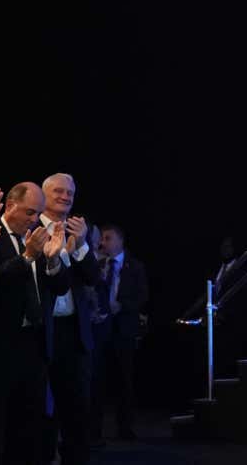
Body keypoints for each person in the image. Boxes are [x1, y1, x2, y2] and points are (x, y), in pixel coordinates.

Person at [0, 183, 69, 465]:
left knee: (29, 424)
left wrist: (52, 260)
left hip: (35, 343)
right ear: (11, 205)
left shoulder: (37, 236)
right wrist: (26, 257)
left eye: (38, 213)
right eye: (29, 212)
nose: (34, 219)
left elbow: (61, 288)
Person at [39, 173, 102, 465]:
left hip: (74, 334)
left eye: (70, 194)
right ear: (44, 194)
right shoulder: (30, 228)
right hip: (40, 331)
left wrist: (82, 245)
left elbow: (93, 278)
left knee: (77, 410)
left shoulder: (78, 233)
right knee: (40, 409)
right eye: (59, 192)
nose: (66, 197)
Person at [91, 224, 148, 442]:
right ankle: (94, 429)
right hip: (101, 330)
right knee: (97, 381)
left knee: (124, 380)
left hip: (124, 330)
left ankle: (125, 428)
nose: (103, 243)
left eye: (108, 238)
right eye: (102, 239)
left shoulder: (135, 267)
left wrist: (121, 306)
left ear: (120, 241)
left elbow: (142, 296)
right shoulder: (97, 264)